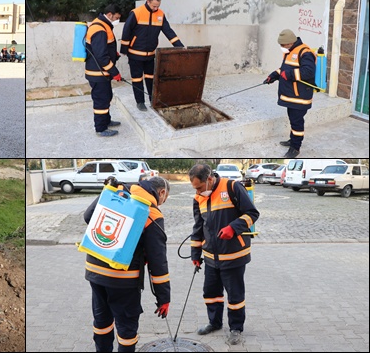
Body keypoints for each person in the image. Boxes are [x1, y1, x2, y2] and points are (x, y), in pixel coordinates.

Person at [83, 176, 171, 352]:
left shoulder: (116, 191)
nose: (161, 203)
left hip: (95, 272)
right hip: (122, 279)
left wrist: (106, 191)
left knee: (102, 322)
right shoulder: (151, 213)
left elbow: (88, 217)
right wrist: (163, 297)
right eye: (164, 199)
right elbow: (157, 260)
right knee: (126, 329)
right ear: (161, 192)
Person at [188, 164, 259, 346]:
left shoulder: (232, 187)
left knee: (234, 296)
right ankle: (215, 322)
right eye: (194, 188)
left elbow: (252, 213)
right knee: (211, 293)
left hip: (233, 254)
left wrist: (233, 228)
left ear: (209, 179)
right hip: (211, 256)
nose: (197, 191)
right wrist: (195, 253)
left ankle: (236, 328)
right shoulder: (199, 198)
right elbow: (198, 227)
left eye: (199, 187)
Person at [120, 0, 184, 111]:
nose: (156, 8)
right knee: (137, 79)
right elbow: (126, 31)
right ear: (148, 2)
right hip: (135, 54)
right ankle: (140, 102)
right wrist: (124, 50)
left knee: (151, 78)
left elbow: (168, 31)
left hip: (150, 55)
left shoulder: (160, 14)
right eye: (154, 6)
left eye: (158, 6)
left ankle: (152, 99)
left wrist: (179, 46)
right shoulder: (136, 12)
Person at [263, 29, 316, 158]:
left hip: (300, 97)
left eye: (282, 45)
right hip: (291, 96)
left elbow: (308, 72)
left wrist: (289, 74)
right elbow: (285, 68)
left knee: (297, 122)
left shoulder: (305, 52)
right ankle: (292, 140)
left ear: (290, 43)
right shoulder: (291, 51)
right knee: (293, 120)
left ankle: (295, 148)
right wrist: (274, 75)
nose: (281, 47)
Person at [84, 4, 123, 137]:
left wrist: (114, 54)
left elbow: (103, 48)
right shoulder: (99, 28)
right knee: (101, 100)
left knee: (106, 97)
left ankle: (106, 120)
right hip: (98, 73)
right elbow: (101, 55)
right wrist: (114, 71)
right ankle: (101, 128)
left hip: (101, 72)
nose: (117, 20)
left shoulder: (102, 24)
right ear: (110, 14)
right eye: (116, 17)